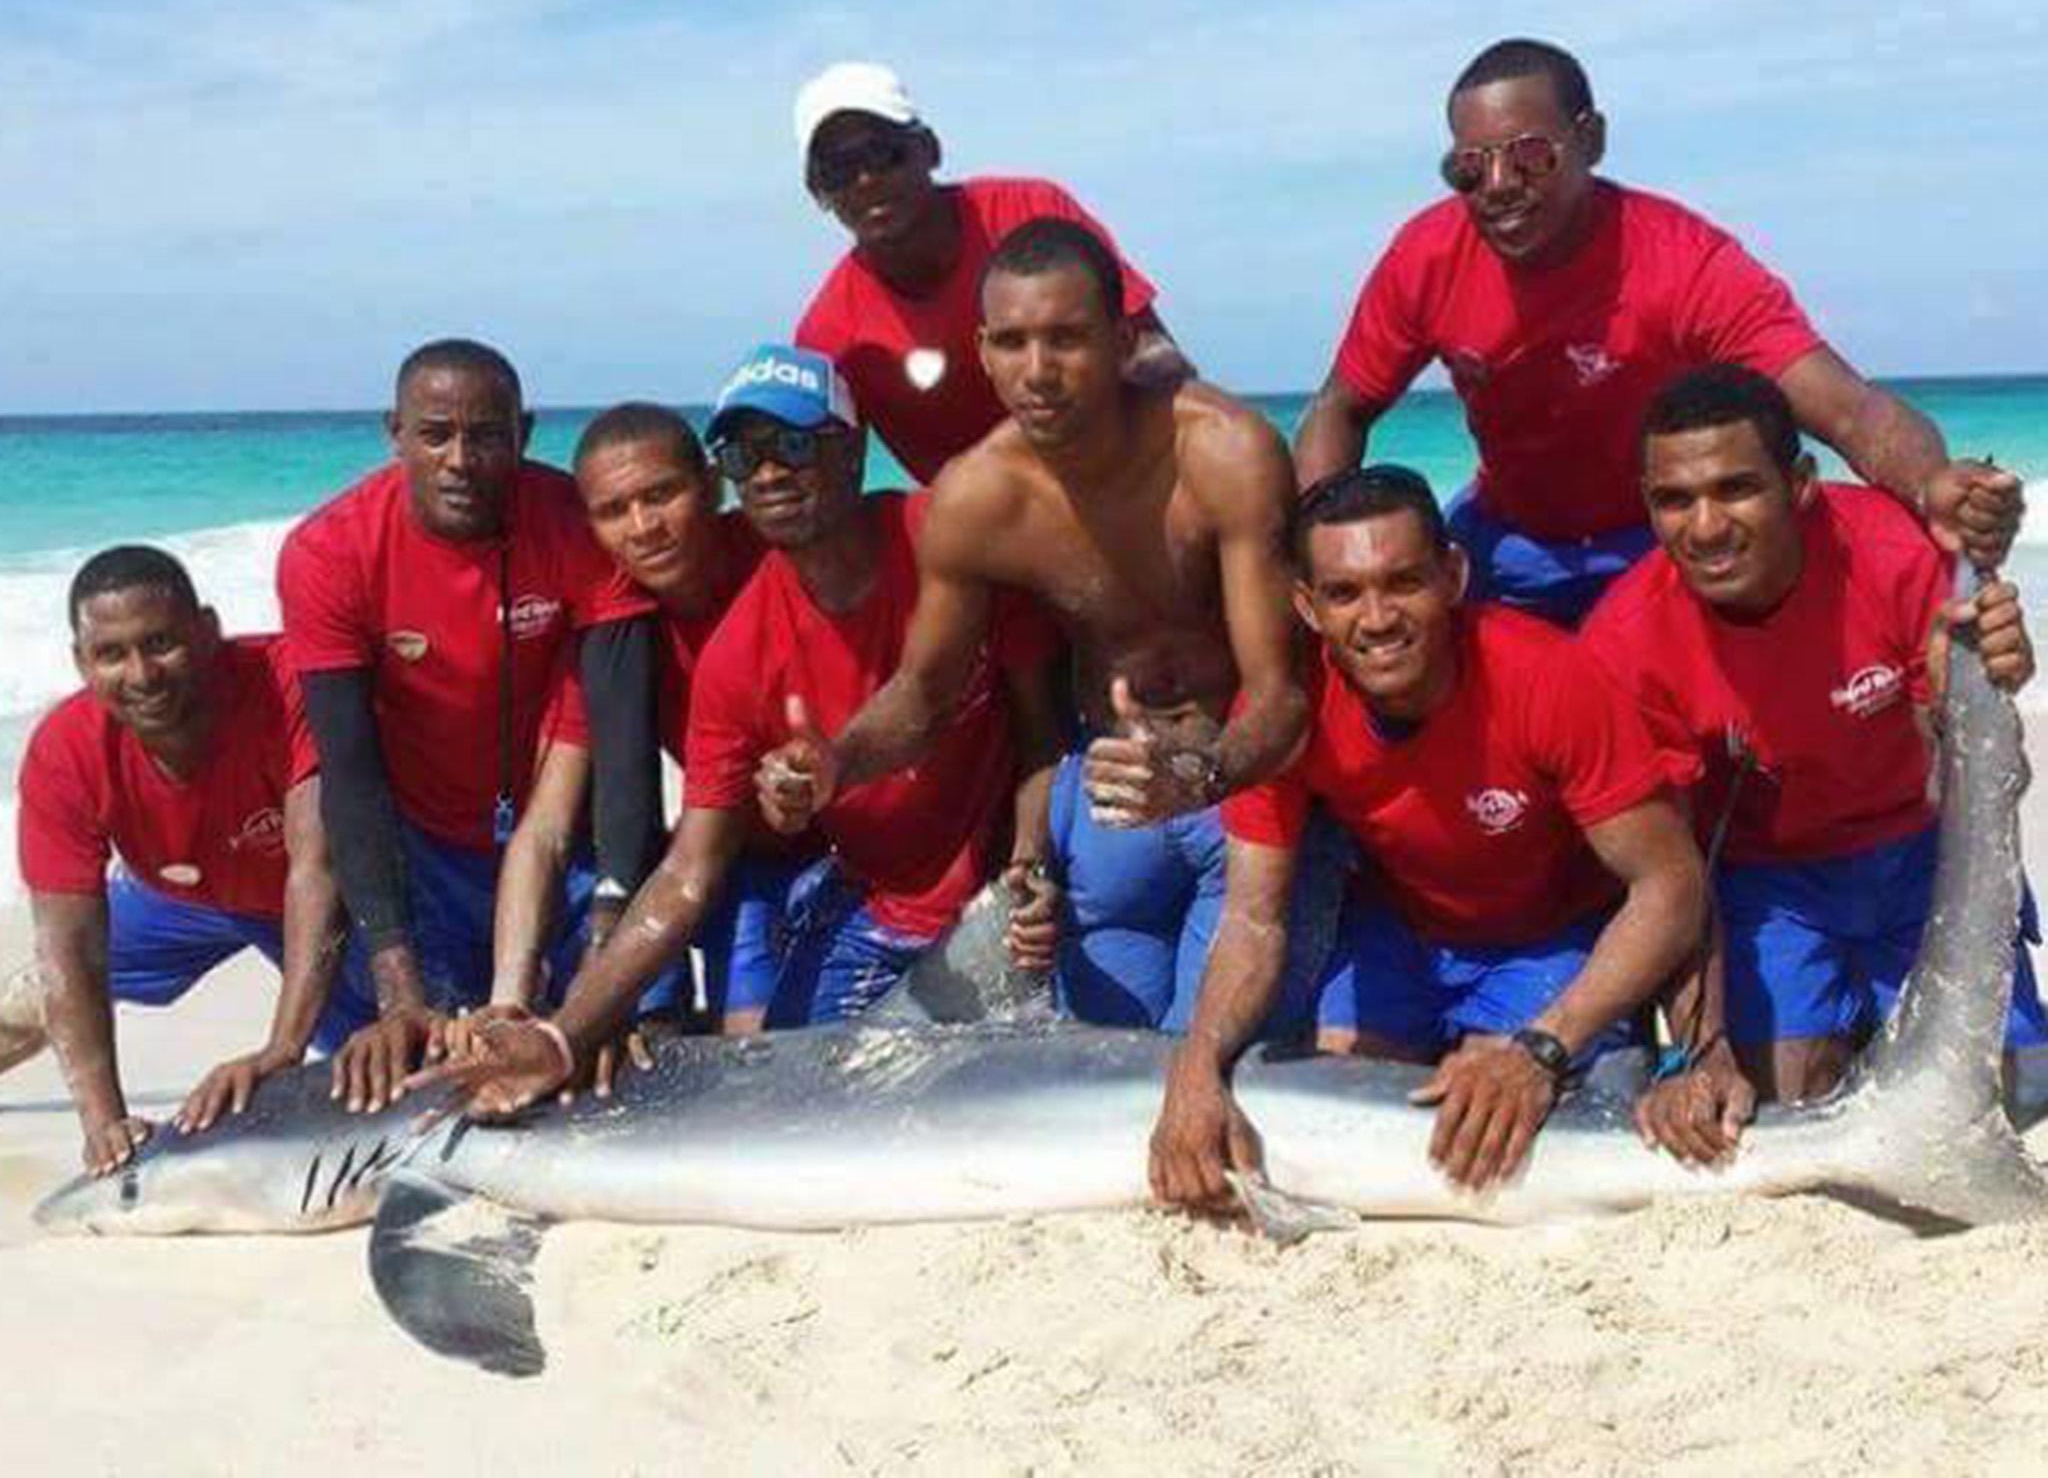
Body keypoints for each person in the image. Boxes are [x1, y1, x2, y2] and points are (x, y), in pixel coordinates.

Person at [411, 345, 1062, 1114]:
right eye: (745, 454)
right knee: (779, 1099)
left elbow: (1045, 725)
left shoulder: (942, 541)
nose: (770, 474)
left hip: (1015, 883)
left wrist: (1033, 859)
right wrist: (563, 1036)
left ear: (852, 447)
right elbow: (688, 871)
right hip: (878, 898)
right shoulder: (734, 653)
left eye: (793, 444)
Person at [765, 217, 1316, 1034]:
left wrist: (1202, 773)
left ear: (1125, 338)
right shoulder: (978, 497)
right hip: (1107, 804)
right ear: (981, 351)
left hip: (1246, 793)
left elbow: (1285, 693)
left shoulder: (1223, 453)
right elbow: (924, 694)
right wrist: (836, 763)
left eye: (1067, 339)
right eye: (1013, 343)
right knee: (1103, 1073)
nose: (1039, 372)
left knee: (1209, 1072)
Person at [1293, 37, 2020, 625]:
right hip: (1510, 535)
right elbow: (1340, 408)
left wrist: (1932, 485)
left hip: (1661, 545)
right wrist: (1312, 559)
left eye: (1529, 155)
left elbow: (1848, 409)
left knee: (1903, 551)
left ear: (1592, 140)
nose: (1500, 185)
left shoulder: (1682, 260)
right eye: (1469, 169)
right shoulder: (1427, 255)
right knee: (1378, 640)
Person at [1150, 467, 1707, 1203]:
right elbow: (1254, 917)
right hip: (1405, 933)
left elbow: (1670, 886)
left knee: (1485, 1121)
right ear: (1307, 608)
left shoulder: (1547, 677)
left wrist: (1543, 1048)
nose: (1377, 618)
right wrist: (1196, 1066)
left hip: (1550, 938)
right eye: (1345, 594)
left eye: (1403, 582)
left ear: (1453, 575)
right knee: (1343, 1102)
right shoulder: (1287, 706)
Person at [1581, 365, 2048, 1164]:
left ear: (1800, 484)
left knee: (2016, 1095)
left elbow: (1989, 790)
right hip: (1774, 882)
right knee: (1784, 1111)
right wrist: (1704, 1049)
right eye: (1674, 500)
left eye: (1736, 489)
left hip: (1920, 848)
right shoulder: (1623, 645)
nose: (1705, 526)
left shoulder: (1896, 553)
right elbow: (1671, 872)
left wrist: (1969, 694)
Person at [276, 339, 660, 1114]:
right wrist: (397, 984)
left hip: (567, 834)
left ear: (524, 433)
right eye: (435, 433)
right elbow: (349, 776)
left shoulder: (580, 524)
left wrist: (605, 966)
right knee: (420, 1066)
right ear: (395, 433)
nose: (460, 459)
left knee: (640, 1045)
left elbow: (625, 747)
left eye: (486, 434)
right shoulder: (328, 551)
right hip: (417, 847)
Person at [4, 547, 351, 1174]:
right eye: (111, 654)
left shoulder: (289, 683)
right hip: (181, 899)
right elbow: (71, 949)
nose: (140, 674)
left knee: (387, 1067)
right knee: (42, 994)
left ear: (208, 631)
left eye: (161, 643)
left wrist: (283, 1047)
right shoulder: (66, 750)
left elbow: (317, 870)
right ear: (83, 664)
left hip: (324, 902)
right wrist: (104, 1123)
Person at [480, 402, 790, 1041]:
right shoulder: (616, 633)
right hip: (733, 860)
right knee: (741, 1048)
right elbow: (546, 825)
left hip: (862, 846)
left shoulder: (780, 559)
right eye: (613, 511)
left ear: (711, 485)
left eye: (661, 495)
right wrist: (508, 1000)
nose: (643, 527)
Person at [793, 60, 1189, 483]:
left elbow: (1153, 355)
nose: (866, 179)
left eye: (883, 152)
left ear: (930, 149)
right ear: (818, 193)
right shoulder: (829, 337)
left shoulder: (1034, 212)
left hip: (1123, 481)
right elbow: (831, 485)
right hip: (980, 529)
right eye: (838, 169)